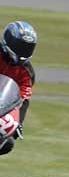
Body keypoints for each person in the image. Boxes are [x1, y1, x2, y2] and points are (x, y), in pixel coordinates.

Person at [0, 21, 37, 156]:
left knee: (6, 142)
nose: (23, 51)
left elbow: (24, 99)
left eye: (27, 48)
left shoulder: (27, 72)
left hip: (1, 107)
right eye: (19, 46)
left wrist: (18, 123)